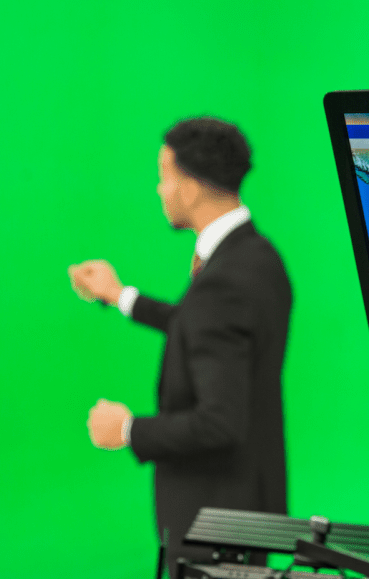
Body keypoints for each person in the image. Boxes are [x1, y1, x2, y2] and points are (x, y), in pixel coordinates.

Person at [68, 117, 292, 575]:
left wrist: (128, 430)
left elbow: (219, 422)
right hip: (246, 506)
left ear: (189, 188)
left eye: (164, 176)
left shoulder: (223, 283)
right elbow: (203, 329)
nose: (159, 189)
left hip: (214, 521)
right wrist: (120, 295)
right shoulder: (258, 258)